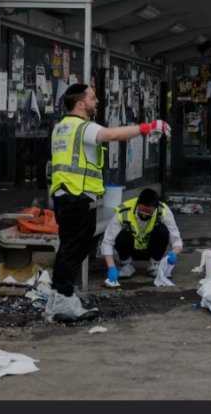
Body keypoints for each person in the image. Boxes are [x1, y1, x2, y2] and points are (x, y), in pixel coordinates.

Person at [47, 83, 170, 320]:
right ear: (80, 103)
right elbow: (112, 135)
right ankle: (63, 299)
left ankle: (59, 296)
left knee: (69, 248)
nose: (97, 101)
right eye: (92, 98)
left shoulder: (61, 128)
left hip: (64, 196)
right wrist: (147, 127)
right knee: (74, 249)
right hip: (77, 197)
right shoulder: (83, 127)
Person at [101, 188, 183, 287]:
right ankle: (125, 265)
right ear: (137, 204)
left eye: (148, 213)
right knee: (121, 235)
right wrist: (111, 267)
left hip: (151, 250)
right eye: (142, 211)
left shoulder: (163, 210)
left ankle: (155, 265)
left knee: (163, 231)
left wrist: (174, 253)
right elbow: (107, 242)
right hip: (130, 250)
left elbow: (176, 238)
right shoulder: (123, 211)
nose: (144, 216)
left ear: (155, 208)